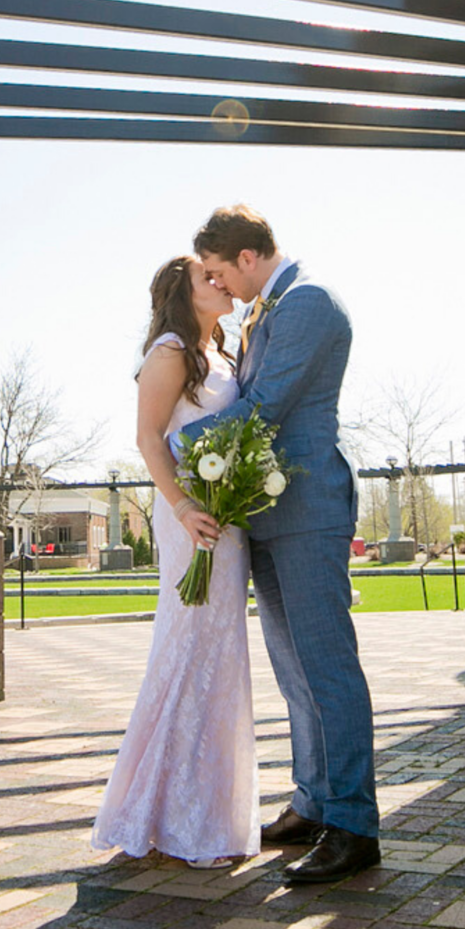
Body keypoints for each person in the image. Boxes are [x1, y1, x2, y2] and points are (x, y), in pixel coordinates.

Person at [180, 204, 379, 883]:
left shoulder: (308, 302)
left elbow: (264, 404)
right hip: (269, 512)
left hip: (310, 509)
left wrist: (173, 442)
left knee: (327, 666)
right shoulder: (269, 308)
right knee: (294, 671)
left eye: (218, 272)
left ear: (246, 256)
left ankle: (353, 822)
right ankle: (312, 799)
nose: (221, 287)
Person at [92, 253, 258, 866]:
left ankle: (201, 809)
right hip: (191, 516)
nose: (220, 283)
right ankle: (178, 816)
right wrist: (186, 506)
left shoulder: (224, 353)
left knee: (220, 655)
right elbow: (147, 438)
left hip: (228, 515)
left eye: (220, 275)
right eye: (206, 279)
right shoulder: (169, 350)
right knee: (189, 651)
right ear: (181, 296)